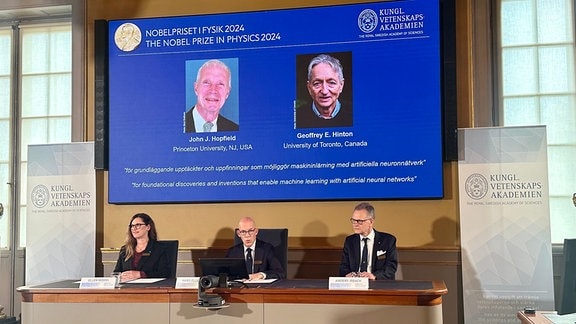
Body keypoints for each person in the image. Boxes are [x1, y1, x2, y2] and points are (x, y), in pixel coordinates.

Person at [339, 202, 398, 280]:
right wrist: (348, 274)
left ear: (371, 222)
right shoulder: (350, 241)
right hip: (355, 284)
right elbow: (344, 266)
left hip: (378, 283)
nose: (355, 224)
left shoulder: (387, 240)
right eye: (353, 220)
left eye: (359, 221)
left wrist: (374, 276)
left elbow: (391, 268)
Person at [296, 53, 353, 129]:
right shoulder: (297, 117)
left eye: (331, 83)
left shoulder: (355, 113)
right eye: (317, 83)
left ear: (341, 85)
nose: (324, 91)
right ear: (309, 88)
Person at [184, 59, 239, 133]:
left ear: (227, 92)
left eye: (220, 84)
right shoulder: (177, 125)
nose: (213, 90)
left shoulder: (234, 129)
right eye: (207, 82)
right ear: (196, 88)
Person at [113, 213, 171, 282]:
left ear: (148, 227)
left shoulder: (159, 249)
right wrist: (120, 276)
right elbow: (116, 273)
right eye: (132, 226)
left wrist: (140, 274)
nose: (134, 228)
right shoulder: (125, 250)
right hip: (127, 288)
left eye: (138, 225)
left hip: (151, 289)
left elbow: (164, 273)